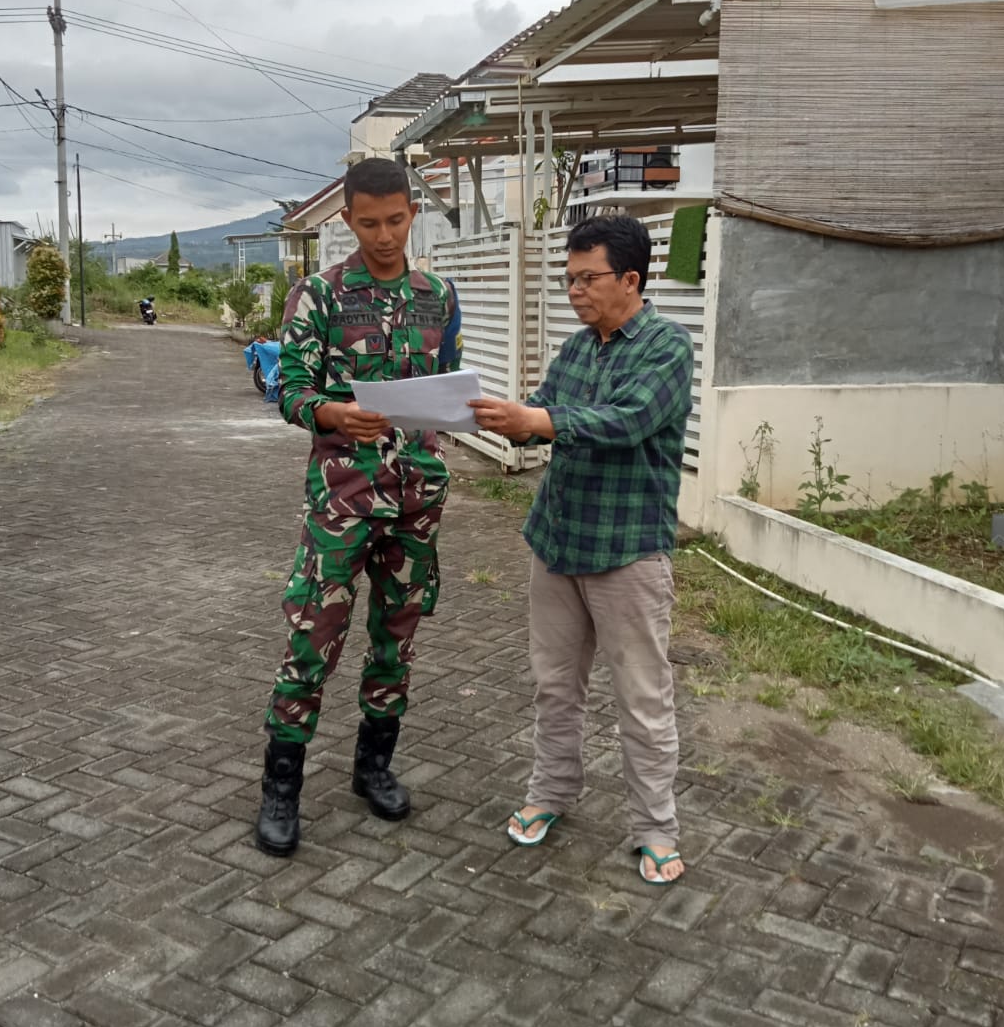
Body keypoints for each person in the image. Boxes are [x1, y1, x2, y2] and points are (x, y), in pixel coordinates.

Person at [470, 213, 693, 885]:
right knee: (554, 685)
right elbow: (543, 413)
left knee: (642, 698)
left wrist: (539, 419)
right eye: (569, 279)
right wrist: (498, 418)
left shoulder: (666, 346)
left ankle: (655, 829)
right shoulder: (576, 349)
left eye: (587, 278)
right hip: (558, 541)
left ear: (631, 279)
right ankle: (551, 791)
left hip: (627, 550)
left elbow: (627, 421)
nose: (575, 291)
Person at [255, 156, 462, 856]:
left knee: (397, 638)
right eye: (368, 223)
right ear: (347, 220)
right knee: (312, 635)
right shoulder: (318, 295)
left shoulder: (439, 295)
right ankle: (282, 785)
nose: (383, 235)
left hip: (416, 497)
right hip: (342, 499)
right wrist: (334, 413)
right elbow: (289, 391)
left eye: (396, 220)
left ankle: (374, 766)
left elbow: (448, 381)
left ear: (413, 213)